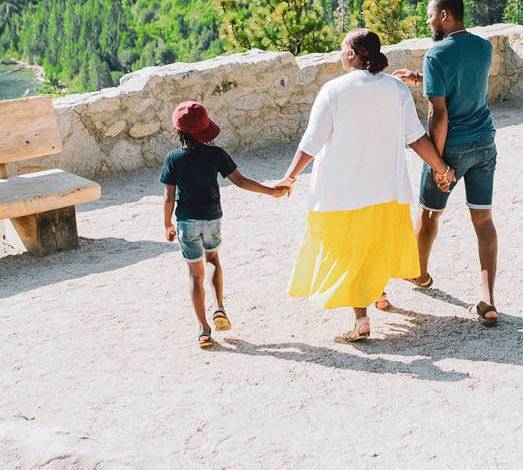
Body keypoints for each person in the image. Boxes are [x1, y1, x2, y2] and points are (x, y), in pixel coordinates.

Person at [276, 28, 453, 344]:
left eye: (343, 48)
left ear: (352, 55)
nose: (341, 53)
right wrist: (441, 168)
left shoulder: (333, 90)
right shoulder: (396, 89)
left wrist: (289, 176)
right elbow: (415, 137)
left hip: (343, 190)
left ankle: (361, 320)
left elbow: (312, 142)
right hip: (387, 188)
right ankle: (380, 294)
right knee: (375, 243)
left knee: (351, 252)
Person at [393, 0, 500, 327]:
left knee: (428, 216)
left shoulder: (436, 54)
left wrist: (438, 164)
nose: (427, 21)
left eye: (430, 15)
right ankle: (489, 300)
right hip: (485, 143)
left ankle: (419, 273)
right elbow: (465, 81)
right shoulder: (484, 47)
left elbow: (439, 112)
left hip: (451, 147)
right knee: (483, 221)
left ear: (445, 16)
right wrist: (420, 80)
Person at [161, 100, 288, 349]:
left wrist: (167, 223)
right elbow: (240, 181)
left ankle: (204, 330)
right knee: (213, 260)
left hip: (186, 221)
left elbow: (168, 196)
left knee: (194, 275)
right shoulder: (216, 154)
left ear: (178, 131)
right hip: (212, 217)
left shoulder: (173, 159)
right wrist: (271, 191)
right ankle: (219, 308)